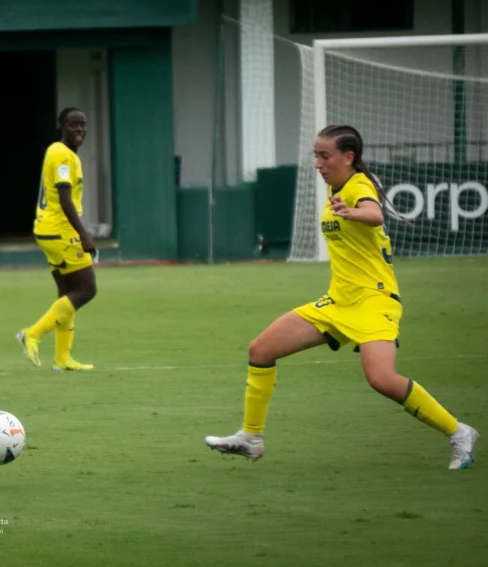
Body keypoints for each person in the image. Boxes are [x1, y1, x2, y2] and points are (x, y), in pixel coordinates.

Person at [205, 124, 479, 470]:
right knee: (261, 349)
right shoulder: (336, 187)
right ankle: (251, 438)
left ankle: (458, 431)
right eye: (316, 155)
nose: (318, 163)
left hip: (373, 301)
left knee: (381, 379)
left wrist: (355, 212)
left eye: (325, 155)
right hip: (338, 302)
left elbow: (374, 212)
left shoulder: (358, 185)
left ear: (348, 157)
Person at [16, 107, 97, 372]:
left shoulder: (56, 150)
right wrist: (84, 235)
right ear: (61, 126)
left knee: (67, 293)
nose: (79, 130)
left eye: (83, 125)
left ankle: (62, 358)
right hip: (61, 232)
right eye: (73, 125)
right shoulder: (63, 155)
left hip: (47, 229)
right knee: (86, 290)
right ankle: (33, 333)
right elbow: (64, 198)